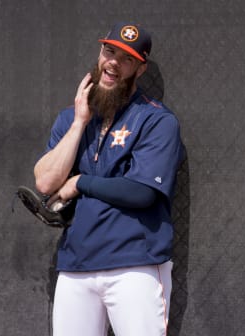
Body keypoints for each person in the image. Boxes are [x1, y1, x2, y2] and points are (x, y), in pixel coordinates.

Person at [33, 22, 185, 336]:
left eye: (126, 58)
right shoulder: (70, 118)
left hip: (135, 264)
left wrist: (78, 183)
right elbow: (46, 183)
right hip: (77, 265)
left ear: (140, 69)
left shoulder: (156, 120)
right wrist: (78, 123)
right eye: (109, 51)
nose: (113, 62)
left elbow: (141, 192)